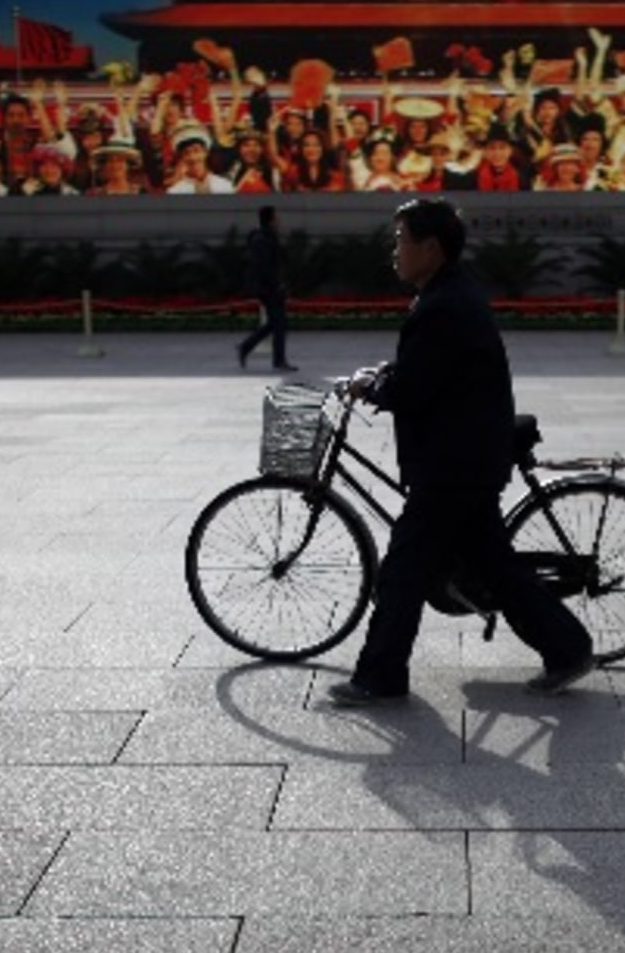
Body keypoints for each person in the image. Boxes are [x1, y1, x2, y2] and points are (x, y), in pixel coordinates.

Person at [327, 198, 595, 707]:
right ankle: (569, 648)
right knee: (496, 567)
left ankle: (381, 676)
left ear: (431, 247)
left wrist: (373, 389)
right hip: (467, 457)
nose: (395, 250)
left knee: (403, 569)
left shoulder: (443, 305)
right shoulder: (448, 295)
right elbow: (428, 370)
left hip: (454, 466)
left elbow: (415, 388)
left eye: (402, 239)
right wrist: (385, 375)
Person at [235, 204, 296, 372]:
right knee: (279, 323)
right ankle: (278, 360)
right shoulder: (261, 239)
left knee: (274, 323)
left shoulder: (268, 237)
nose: (279, 220)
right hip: (268, 288)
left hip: (270, 287)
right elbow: (263, 267)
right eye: (276, 217)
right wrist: (276, 285)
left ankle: (246, 347)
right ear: (270, 220)